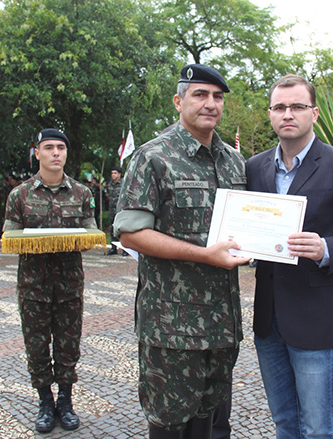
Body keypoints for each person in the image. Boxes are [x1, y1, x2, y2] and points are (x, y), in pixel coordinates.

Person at [246, 74, 333, 439]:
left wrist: (327, 248)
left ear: (315, 113)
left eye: (297, 106)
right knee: (284, 423)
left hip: (317, 318)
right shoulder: (255, 167)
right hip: (269, 318)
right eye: (279, 107)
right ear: (271, 114)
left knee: (319, 427)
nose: (287, 114)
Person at [115, 64, 249, 439]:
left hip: (222, 322)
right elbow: (131, 234)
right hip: (171, 325)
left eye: (218, 97)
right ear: (178, 101)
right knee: (169, 422)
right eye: (200, 95)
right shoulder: (153, 157)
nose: (210, 104)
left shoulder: (234, 162)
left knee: (207, 417)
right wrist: (206, 255)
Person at [3, 128, 96, 433]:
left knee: (69, 346)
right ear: (38, 153)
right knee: (37, 346)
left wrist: (74, 239)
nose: (56, 153)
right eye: (49, 148)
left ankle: (66, 402)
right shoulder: (20, 194)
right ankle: (45, 401)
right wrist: (37, 240)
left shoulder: (82, 193)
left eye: (61, 148)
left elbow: (90, 233)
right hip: (33, 287)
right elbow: (10, 237)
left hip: (70, 286)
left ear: (66, 153)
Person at [106, 167, 123, 255]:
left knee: (122, 229)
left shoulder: (123, 184)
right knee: (112, 228)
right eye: (112, 173)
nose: (113, 175)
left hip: (120, 210)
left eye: (115, 173)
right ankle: (113, 248)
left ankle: (124, 249)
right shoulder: (110, 184)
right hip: (111, 210)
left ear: (119, 174)